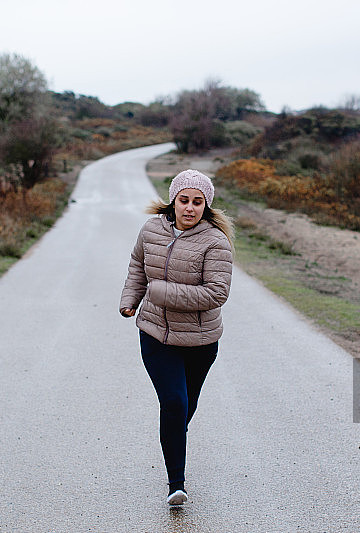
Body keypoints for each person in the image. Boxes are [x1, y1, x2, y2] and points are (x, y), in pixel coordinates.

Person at [119, 169, 234, 506]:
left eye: (198, 202)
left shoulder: (215, 242)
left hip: (200, 342)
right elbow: (138, 264)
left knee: (185, 408)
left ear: (206, 206)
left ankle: (172, 438)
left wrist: (160, 291)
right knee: (174, 402)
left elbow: (216, 294)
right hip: (156, 334)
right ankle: (176, 484)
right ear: (173, 200)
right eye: (184, 200)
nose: (189, 207)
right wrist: (131, 300)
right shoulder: (151, 230)